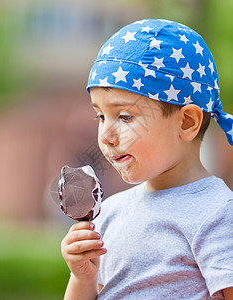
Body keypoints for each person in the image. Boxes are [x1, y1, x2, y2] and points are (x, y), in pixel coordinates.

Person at [61, 19, 233, 300]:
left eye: (125, 117)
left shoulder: (217, 213)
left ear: (187, 122)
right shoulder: (109, 214)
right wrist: (83, 277)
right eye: (101, 116)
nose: (105, 135)